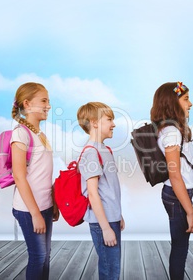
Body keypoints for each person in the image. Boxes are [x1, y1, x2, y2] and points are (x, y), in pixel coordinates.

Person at [150, 82, 193, 280]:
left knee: (179, 245)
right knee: (180, 247)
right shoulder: (171, 132)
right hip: (178, 196)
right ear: (172, 102)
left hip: (177, 194)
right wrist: (191, 212)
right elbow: (175, 175)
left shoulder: (171, 129)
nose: (191, 104)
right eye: (186, 99)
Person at [11, 82, 59, 280]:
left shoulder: (40, 134)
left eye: (48, 101)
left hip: (45, 206)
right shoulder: (20, 134)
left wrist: (53, 202)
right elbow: (19, 176)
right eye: (44, 101)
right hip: (29, 209)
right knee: (38, 256)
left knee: (45, 257)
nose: (48, 105)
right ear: (27, 104)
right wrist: (35, 214)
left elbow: (43, 173)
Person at [77, 102, 125, 280]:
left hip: (110, 218)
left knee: (113, 266)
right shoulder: (91, 152)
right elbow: (93, 193)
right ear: (94, 122)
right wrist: (105, 228)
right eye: (109, 119)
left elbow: (109, 189)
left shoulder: (105, 150)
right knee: (109, 269)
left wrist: (118, 214)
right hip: (101, 222)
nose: (113, 124)